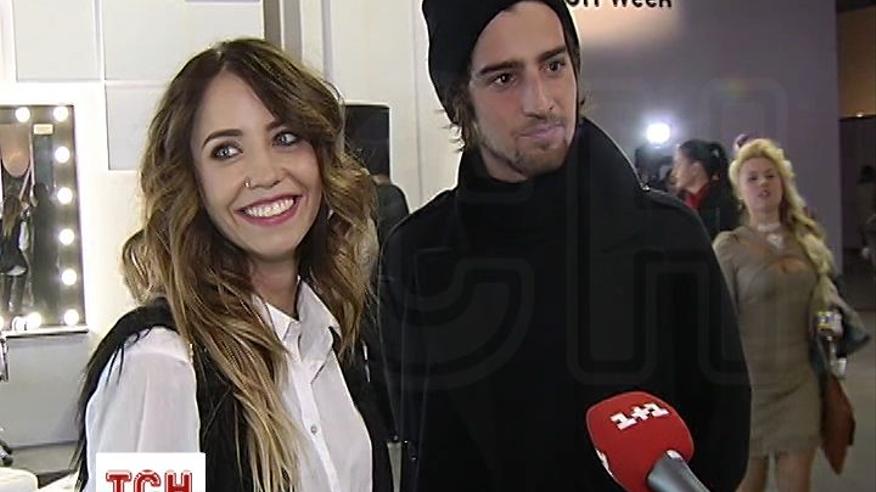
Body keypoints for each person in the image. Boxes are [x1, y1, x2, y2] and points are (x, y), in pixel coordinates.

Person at [379, 1, 751, 491]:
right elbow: (419, 438)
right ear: (458, 99)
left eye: (553, 66)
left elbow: (722, 438)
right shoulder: (416, 253)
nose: (541, 102)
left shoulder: (667, 237)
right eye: (504, 78)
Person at [73, 38, 391, 492]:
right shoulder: (160, 365)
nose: (265, 174)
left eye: (286, 138)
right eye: (225, 151)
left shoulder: (327, 341)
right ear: (192, 182)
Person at [713, 138, 834, 492]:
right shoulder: (729, 247)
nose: (763, 184)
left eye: (770, 175)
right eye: (752, 178)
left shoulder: (807, 240)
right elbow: (718, 326)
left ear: (783, 182)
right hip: (749, 392)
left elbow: (826, 305)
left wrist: (832, 335)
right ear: (740, 191)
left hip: (799, 386)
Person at [672, 139, 739, 239]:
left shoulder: (723, 204)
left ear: (695, 169)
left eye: (678, 164)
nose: (674, 172)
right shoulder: (675, 204)